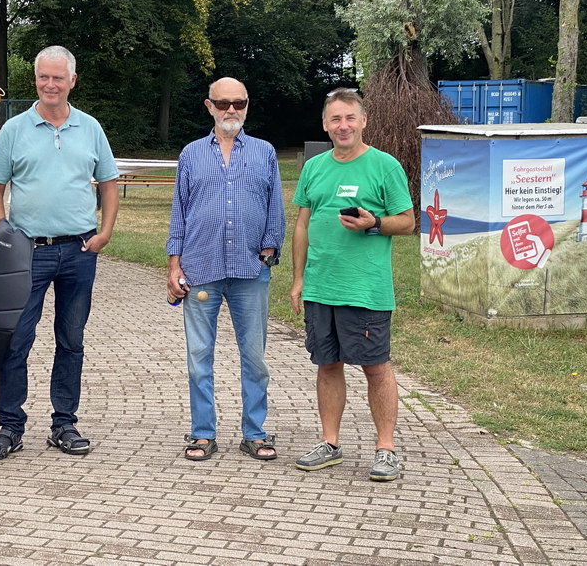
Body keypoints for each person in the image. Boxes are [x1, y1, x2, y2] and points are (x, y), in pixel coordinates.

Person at [0, 45, 119, 461]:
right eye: (44, 77)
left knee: (71, 340)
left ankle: (64, 424)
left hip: (80, 249)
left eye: (58, 77)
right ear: (36, 79)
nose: (50, 84)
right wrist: (5, 232)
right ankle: (10, 426)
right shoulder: (14, 130)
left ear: (72, 81)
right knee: (15, 341)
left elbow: (109, 183)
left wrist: (106, 232)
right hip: (27, 253)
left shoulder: (90, 128)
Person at [290, 87, 414, 482]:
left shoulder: (384, 166)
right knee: (327, 365)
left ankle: (386, 449)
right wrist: (298, 278)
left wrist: (373, 223)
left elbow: (408, 222)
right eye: (335, 119)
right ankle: (330, 443)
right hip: (320, 286)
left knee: (375, 367)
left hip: (365, 289)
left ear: (363, 121)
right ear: (325, 125)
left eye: (349, 118)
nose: (343, 125)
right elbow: (303, 224)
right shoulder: (314, 167)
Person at [167, 77, 285, 462]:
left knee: (255, 358)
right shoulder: (191, 154)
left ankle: (255, 433)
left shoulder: (265, 152)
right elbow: (179, 211)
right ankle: (203, 433)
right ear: (209, 106)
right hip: (200, 268)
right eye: (223, 103)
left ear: (247, 105)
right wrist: (174, 264)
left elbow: (275, 206)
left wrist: (269, 249)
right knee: (199, 357)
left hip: (251, 270)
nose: (231, 109)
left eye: (239, 103)